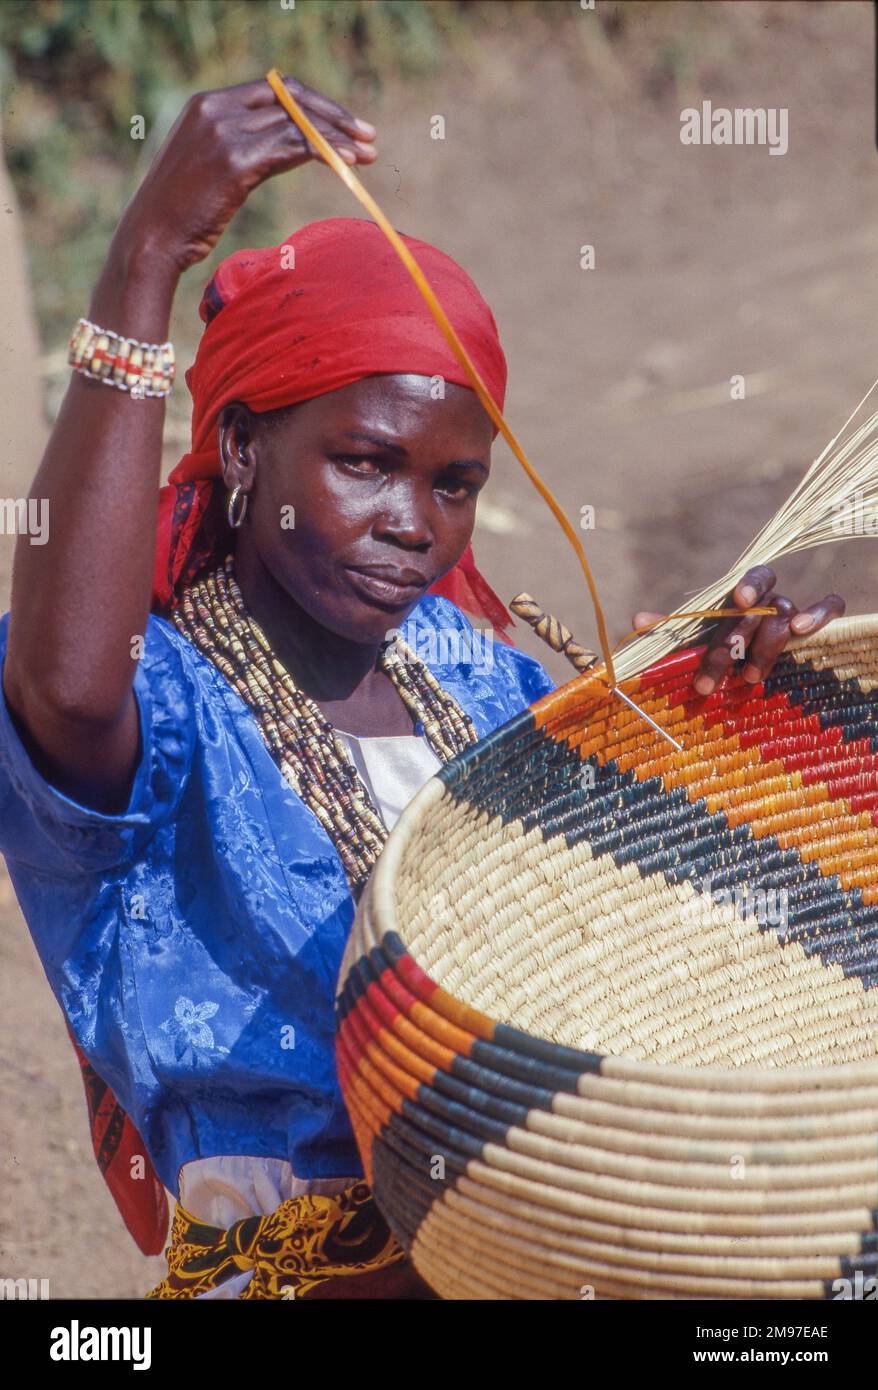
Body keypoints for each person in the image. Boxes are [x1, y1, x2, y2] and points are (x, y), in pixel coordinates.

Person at [0, 74, 846, 1300]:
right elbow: (65, 690)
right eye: (361, 462)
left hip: (545, 1256)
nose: (412, 522)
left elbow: (637, 965)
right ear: (243, 449)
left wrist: (719, 727)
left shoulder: (487, 690)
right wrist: (144, 261)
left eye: (453, 484)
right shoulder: (166, 704)